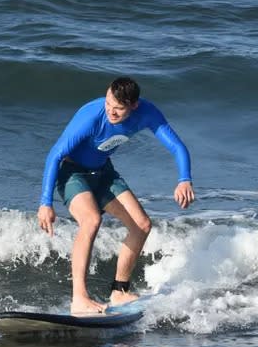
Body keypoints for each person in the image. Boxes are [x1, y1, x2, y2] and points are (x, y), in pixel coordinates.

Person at [37, 77, 195, 315]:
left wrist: (184, 179)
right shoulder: (92, 116)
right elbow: (55, 154)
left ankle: (119, 291)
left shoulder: (147, 113)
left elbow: (176, 146)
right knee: (91, 220)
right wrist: (45, 203)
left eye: (118, 108)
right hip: (72, 173)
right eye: (109, 103)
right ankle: (79, 298)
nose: (111, 111)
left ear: (134, 106)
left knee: (141, 225)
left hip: (103, 173)